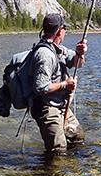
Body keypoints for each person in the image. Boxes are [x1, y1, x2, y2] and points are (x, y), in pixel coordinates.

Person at [30, 12, 88, 153]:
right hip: (47, 108)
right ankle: (51, 173)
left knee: (78, 139)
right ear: (60, 30)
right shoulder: (44, 55)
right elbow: (40, 87)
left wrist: (80, 53)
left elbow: (77, 63)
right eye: (64, 29)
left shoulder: (58, 50)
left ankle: (73, 172)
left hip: (62, 106)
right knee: (58, 151)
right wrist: (64, 85)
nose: (65, 32)